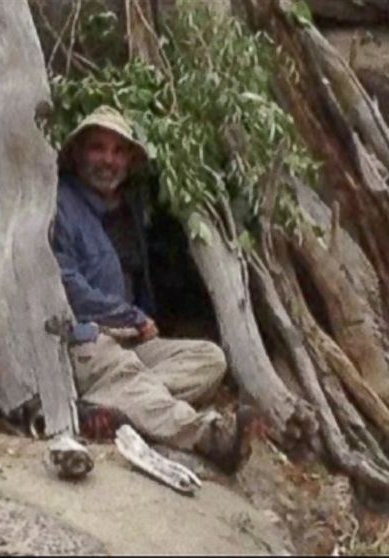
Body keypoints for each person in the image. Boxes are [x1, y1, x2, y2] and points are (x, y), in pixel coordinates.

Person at [50, 105, 254, 474]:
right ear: (78, 154)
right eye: (97, 148)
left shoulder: (128, 212)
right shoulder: (59, 205)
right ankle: (205, 435)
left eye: (118, 151)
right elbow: (65, 284)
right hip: (88, 340)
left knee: (210, 359)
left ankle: (109, 407)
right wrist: (131, 316)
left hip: (132, 342)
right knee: (124, 370)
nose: (107, 160)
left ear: (129, 161)